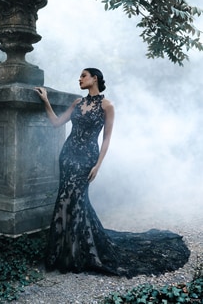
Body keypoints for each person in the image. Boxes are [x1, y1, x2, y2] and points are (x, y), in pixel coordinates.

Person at [35, 68, 190, 278]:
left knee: (77, 201)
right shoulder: (77, 103)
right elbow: (56, 123)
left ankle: (76, 252)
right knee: (64, 200)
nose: (79, 79)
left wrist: (97, 165)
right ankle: (62, 253)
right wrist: (46, 101)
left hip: (88, 157)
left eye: (83, 76)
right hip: (68, 156)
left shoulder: (107, 106)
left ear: (94, 78)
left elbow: (107, 138)